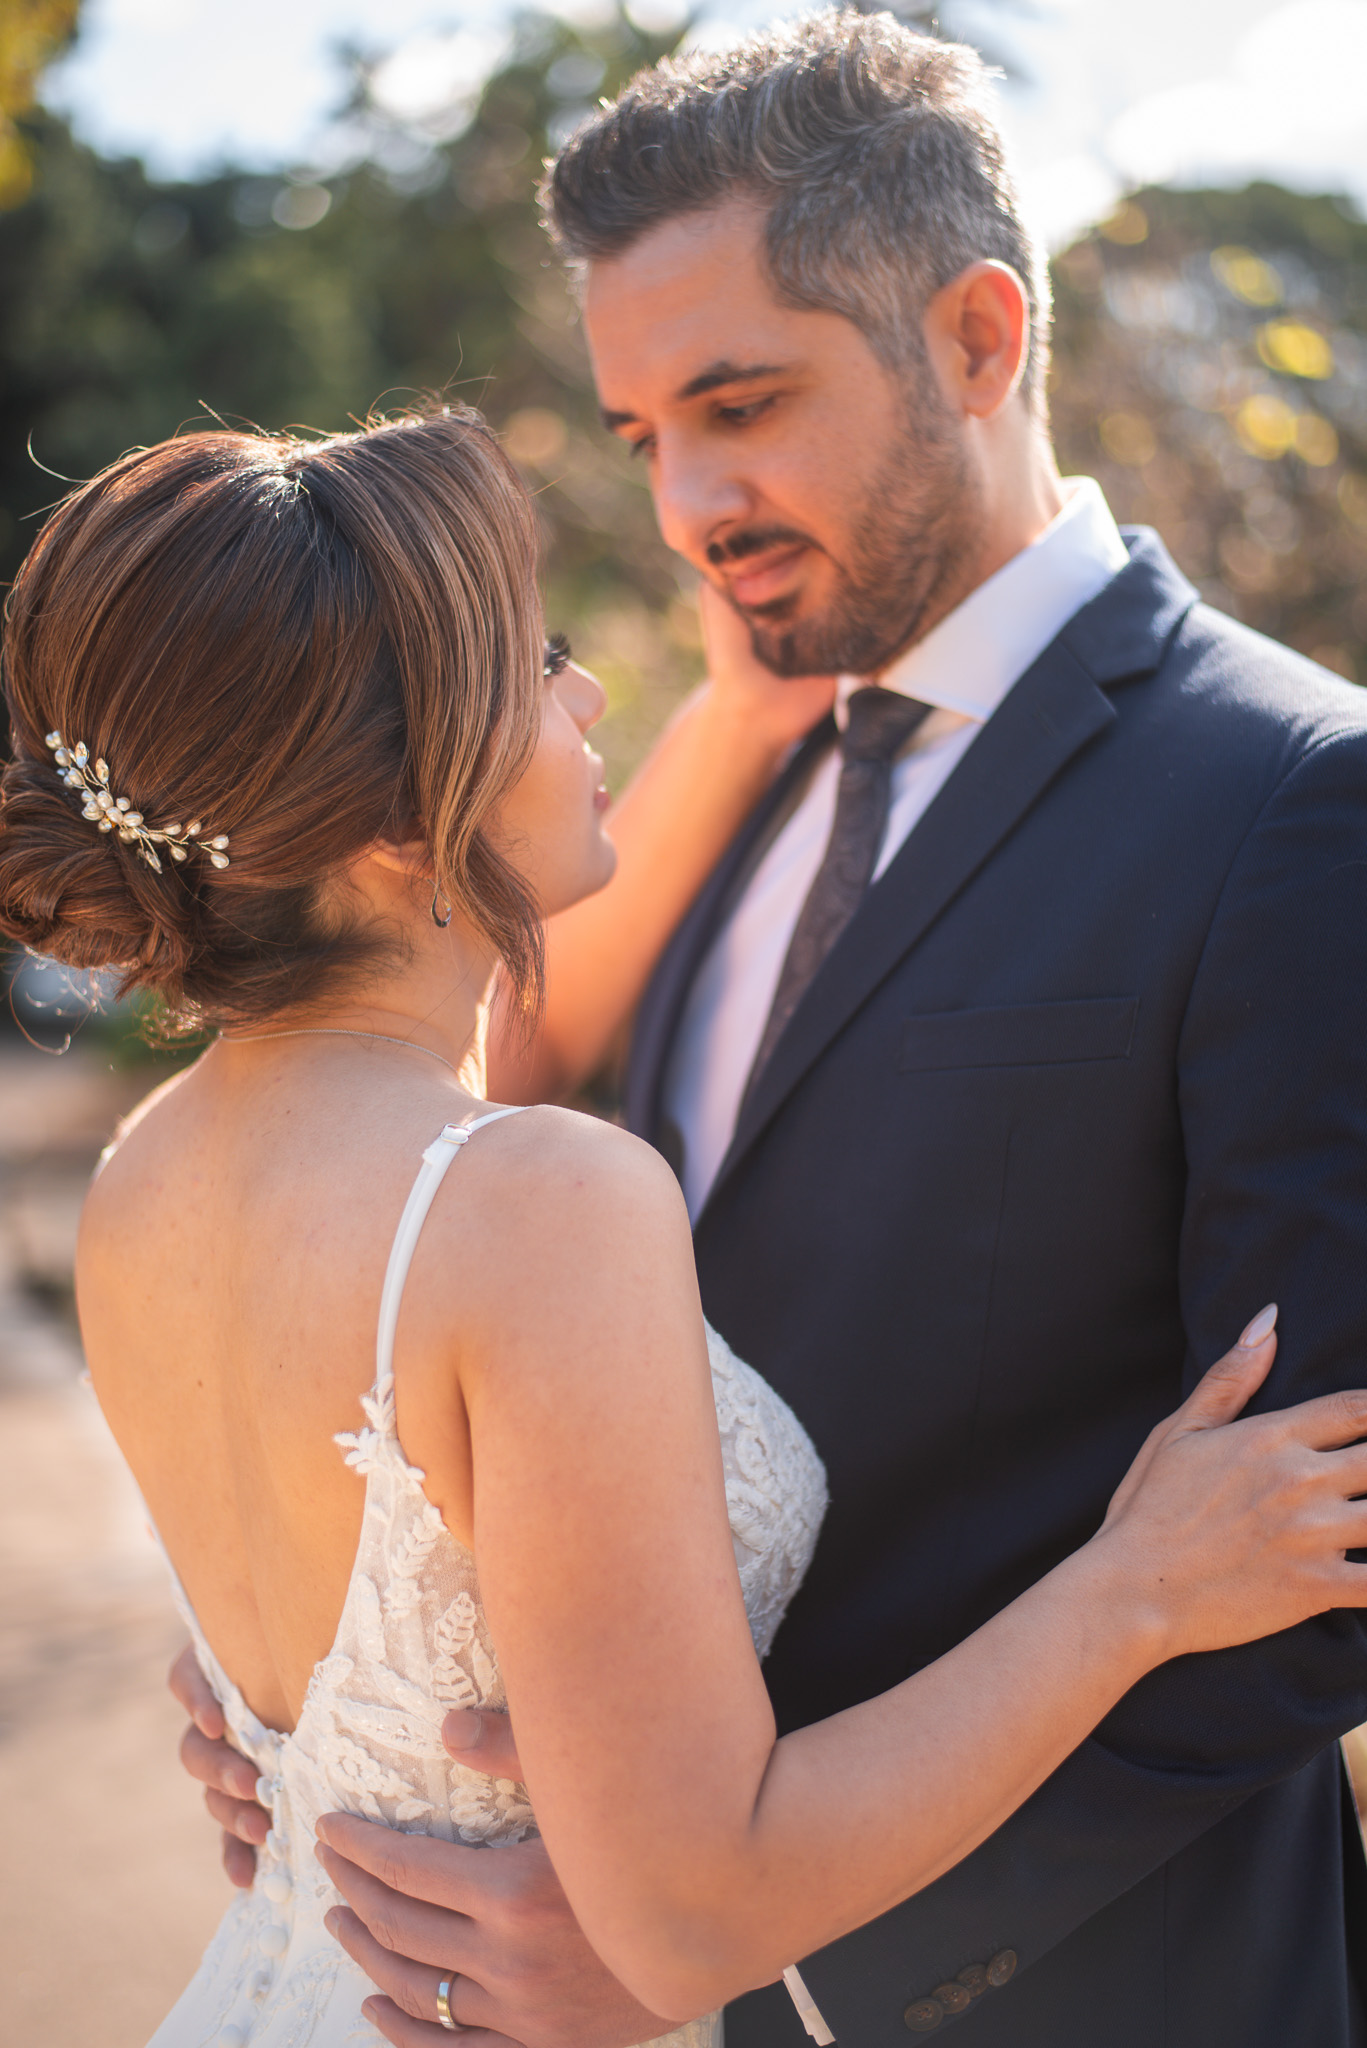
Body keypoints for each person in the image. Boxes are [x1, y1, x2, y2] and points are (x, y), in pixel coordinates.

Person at [183, 14, 1367, 2048]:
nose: (688, 507)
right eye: (645, 433)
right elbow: (511, 1296)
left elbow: (1324, 1525)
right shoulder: (710, 790)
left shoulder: (1298, 796)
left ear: (983, 340)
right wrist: (311, 1678)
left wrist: (763, 1952)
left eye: (741, 403)